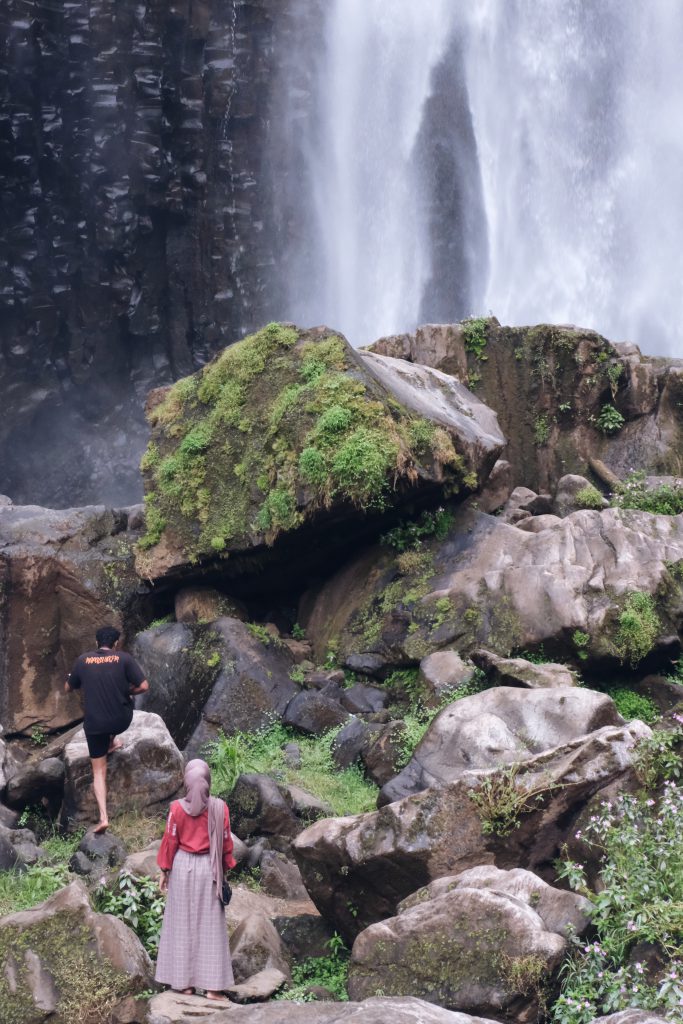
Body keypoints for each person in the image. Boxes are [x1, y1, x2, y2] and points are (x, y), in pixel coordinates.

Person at [155, 759, 236, 999]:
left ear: (186, 782)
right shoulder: (220, 808)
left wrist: (164, 870)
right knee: (210, 926)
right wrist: (225, 870)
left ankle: (184, 985)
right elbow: (226, 843)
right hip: (208, 869)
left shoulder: (176, 809)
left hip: (181, 867)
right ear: (209, 782)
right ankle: (212, 989)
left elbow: (170, 840)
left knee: (181, 924)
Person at [64, 625, 149, 833]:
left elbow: (68, 688)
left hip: (95, 725)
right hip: (120, 721)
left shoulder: (83, 660)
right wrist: (127, 690)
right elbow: (144, 686)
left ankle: (103, 818)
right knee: (118, 705)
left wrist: (72, 677)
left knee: (98, 772)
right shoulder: (123, 658)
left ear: (96, 643)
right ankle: (112, 741)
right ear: (116, 643)